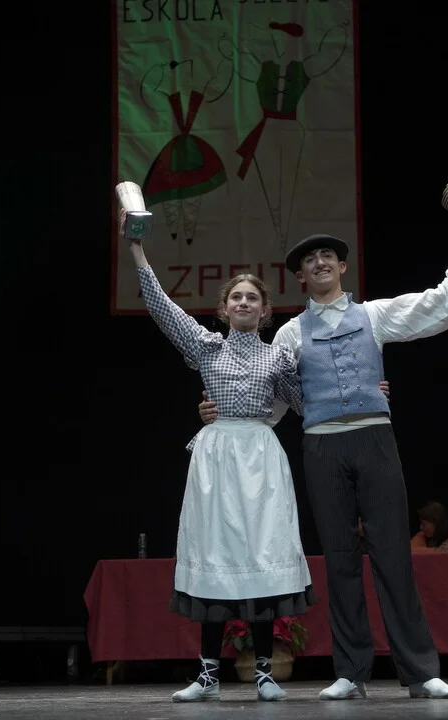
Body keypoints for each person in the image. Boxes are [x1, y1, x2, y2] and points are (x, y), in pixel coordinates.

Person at [201, 210, 448, 700]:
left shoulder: (373, 315)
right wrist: (222, 417)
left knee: (393, 555)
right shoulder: (290, 334)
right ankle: (350, 672)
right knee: (339, 559)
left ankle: (421, 671)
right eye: (310, 259)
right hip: (322, 445)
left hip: (374, 439)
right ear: (300, 276)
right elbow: (265, 397)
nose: (319, 262)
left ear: (341, 266)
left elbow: (439, 303)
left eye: (327, 256)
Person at [121, 208, 320, 702]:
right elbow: (163, 308)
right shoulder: (206, 347)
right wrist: (137, 250)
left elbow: (307, 403)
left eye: (253, 297)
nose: (244, 302)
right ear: (224, 308)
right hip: (216, 458)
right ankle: (207, 675)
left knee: (262, 554)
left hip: (261, 457)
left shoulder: (278, 356)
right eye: (237, 297)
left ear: (265, 310)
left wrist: (364, 393)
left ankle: (265, 673)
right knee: (214, 554)